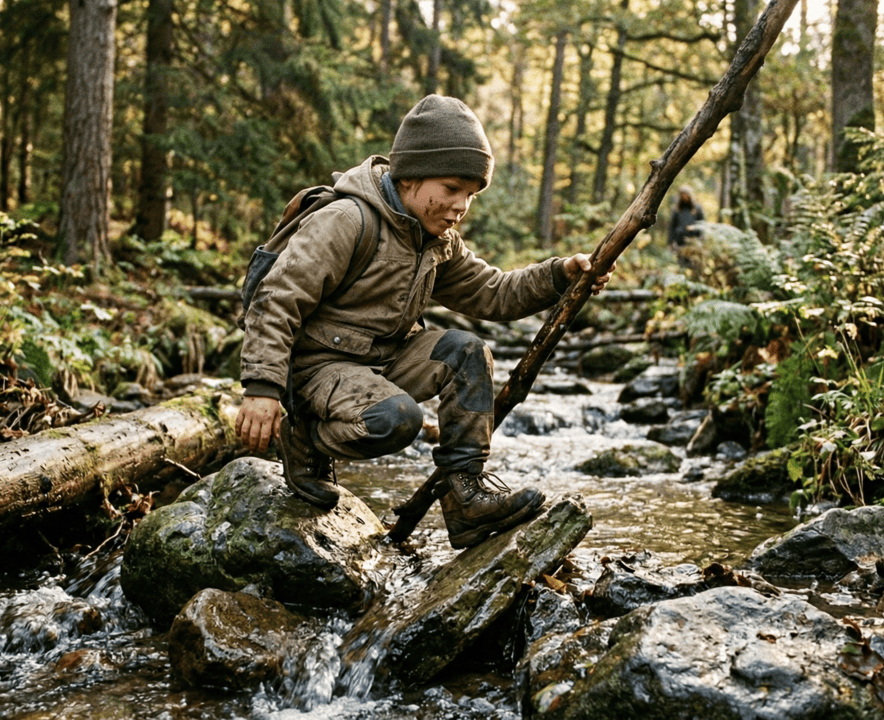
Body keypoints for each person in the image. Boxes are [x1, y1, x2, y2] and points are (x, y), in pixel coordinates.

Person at [235, 95, 613, 549]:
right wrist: (262, 388)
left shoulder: (436, 240)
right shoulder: (346, 219)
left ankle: (465, 495)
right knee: (397, 419)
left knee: (467, 351)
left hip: (383, 359)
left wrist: (560, 275)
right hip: (317, 367)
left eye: (471, 195)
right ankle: (306, 441)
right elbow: (277, 299)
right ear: (409, 176)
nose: (460, 206)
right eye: (452, 188)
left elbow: (493, 293)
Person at [666, 185, 704, 265]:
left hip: (693, 240)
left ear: (690, 195)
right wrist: (670, 241)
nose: (684, 197)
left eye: (686, 194)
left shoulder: (697, 208)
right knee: (682, 262)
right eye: (682, 195)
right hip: (680, 240)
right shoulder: (676, 209)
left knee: (693, 262)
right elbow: (672, 226)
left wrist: (701, 238)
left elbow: (702, 224)